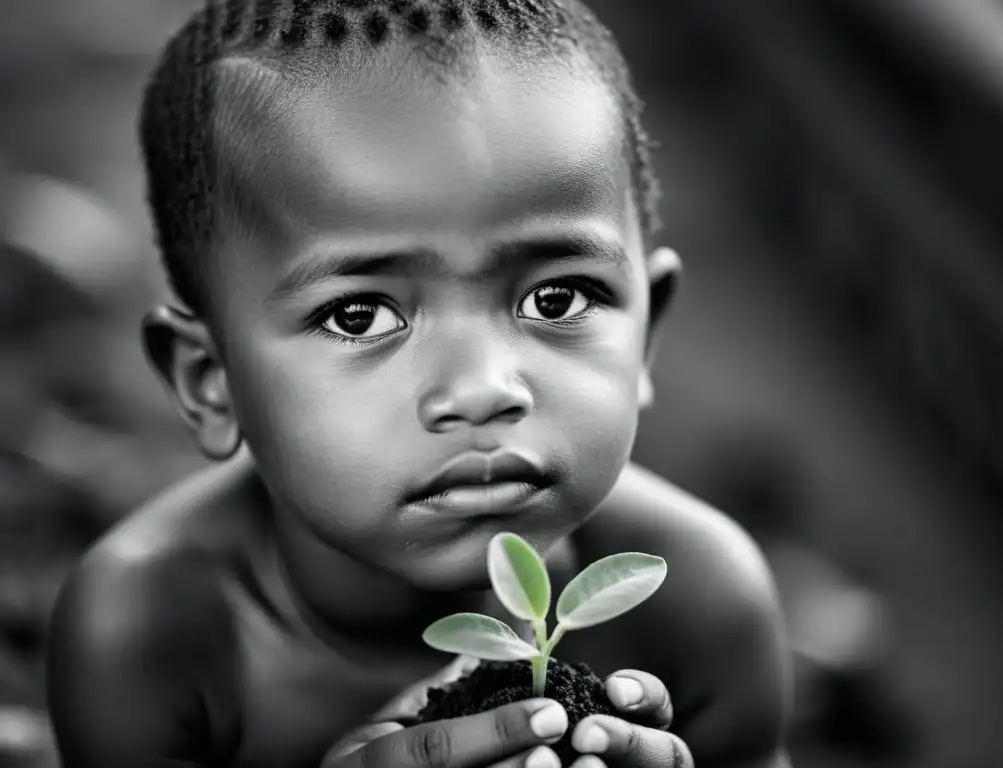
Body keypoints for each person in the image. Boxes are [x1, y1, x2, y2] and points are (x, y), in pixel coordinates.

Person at [46, 2, 792, 766]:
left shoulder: (697, 604)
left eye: (557, 299)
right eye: (360, 316)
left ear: (646, 339)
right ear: (211, 382)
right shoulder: (151, 640)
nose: (482, 388)